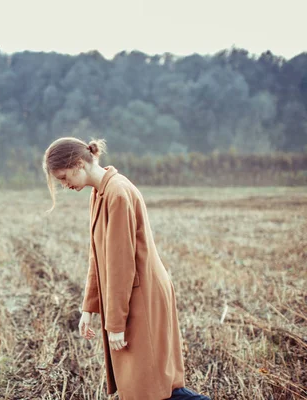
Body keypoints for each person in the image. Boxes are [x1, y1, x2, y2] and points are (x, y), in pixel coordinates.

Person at [42, 137, 210, 400]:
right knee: (148, 382)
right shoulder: (99, 193)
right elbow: (97, 255)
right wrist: (89, 307)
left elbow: (121, 264)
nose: (65, 185)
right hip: (133, 295)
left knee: (150, 385)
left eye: (63, 177)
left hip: (142, 296)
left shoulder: (117, 193)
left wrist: (116, 323)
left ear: (78, 164)